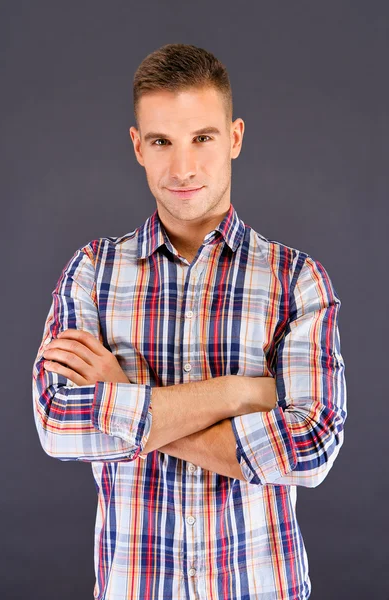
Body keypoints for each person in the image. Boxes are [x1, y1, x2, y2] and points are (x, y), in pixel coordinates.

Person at [32, 43, 347, 600]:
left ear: (235, 138)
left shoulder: (297, 280)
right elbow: (58, 424)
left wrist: (125, 399)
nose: (182, 168)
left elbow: (313, 447)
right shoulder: (91, 273)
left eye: (202, 137)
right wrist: (238, 392)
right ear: (137, 146)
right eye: (161, 142)